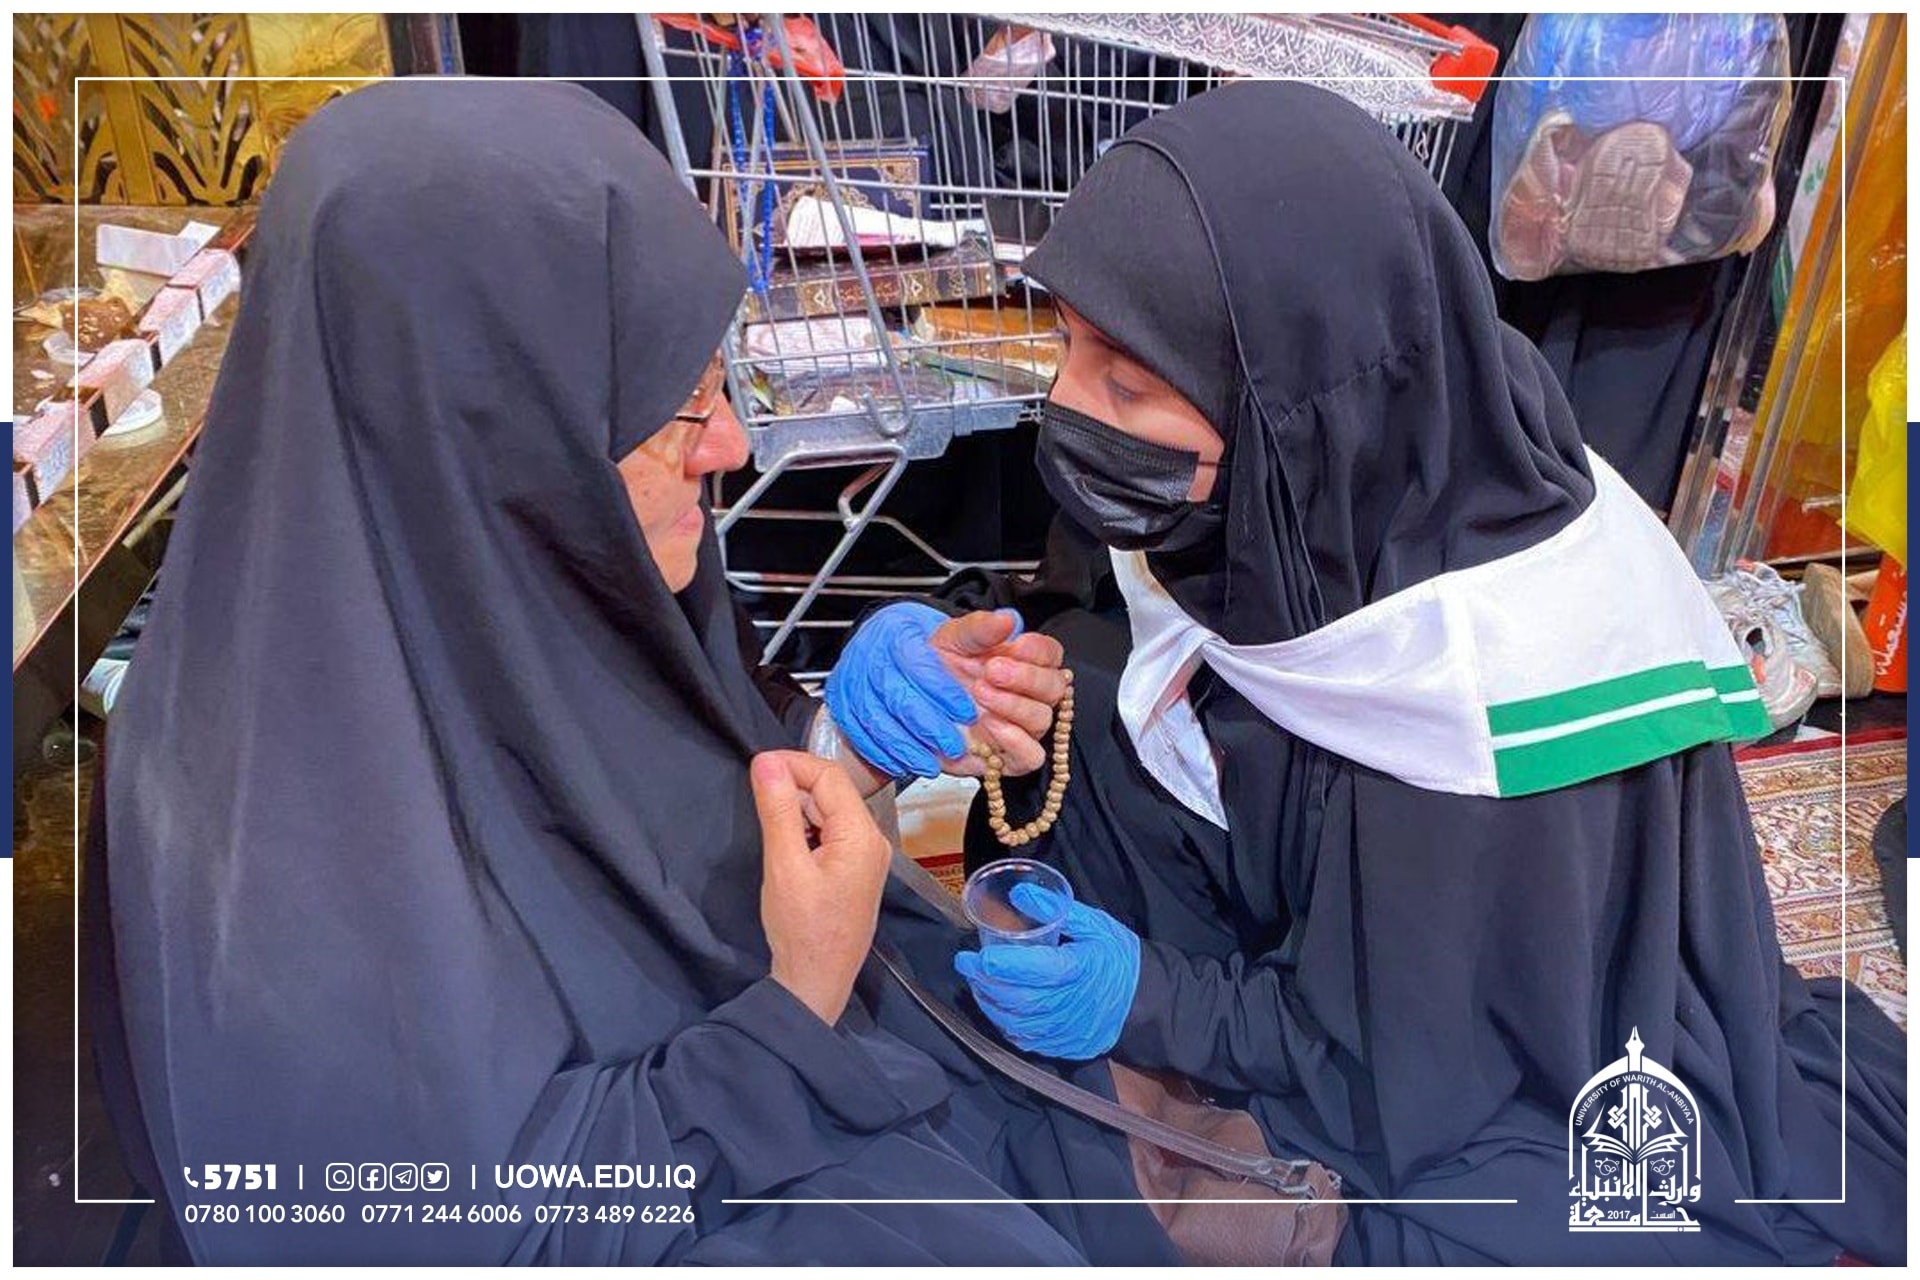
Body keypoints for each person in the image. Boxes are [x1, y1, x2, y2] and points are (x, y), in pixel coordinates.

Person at [92, 79, 1178, 1266]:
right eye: (675, 408)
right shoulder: (264, 839)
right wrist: (792, 1008)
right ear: (494, 426)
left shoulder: (496, 570)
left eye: (713, 381)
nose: (732, 444)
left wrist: (840, 746)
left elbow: (645, 796)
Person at [831, 81, 1907, 1265]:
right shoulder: (1319, 461)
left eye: (1126, 382)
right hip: (1321, 882)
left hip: (1458, 1011)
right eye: (1066, 344)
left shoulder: (1490, 673)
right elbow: (1112, 622)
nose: (1068, 404)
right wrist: (974, 662)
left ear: (1290, 404)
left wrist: (1150, 999)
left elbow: (1412, 1059)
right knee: (1093, 701)